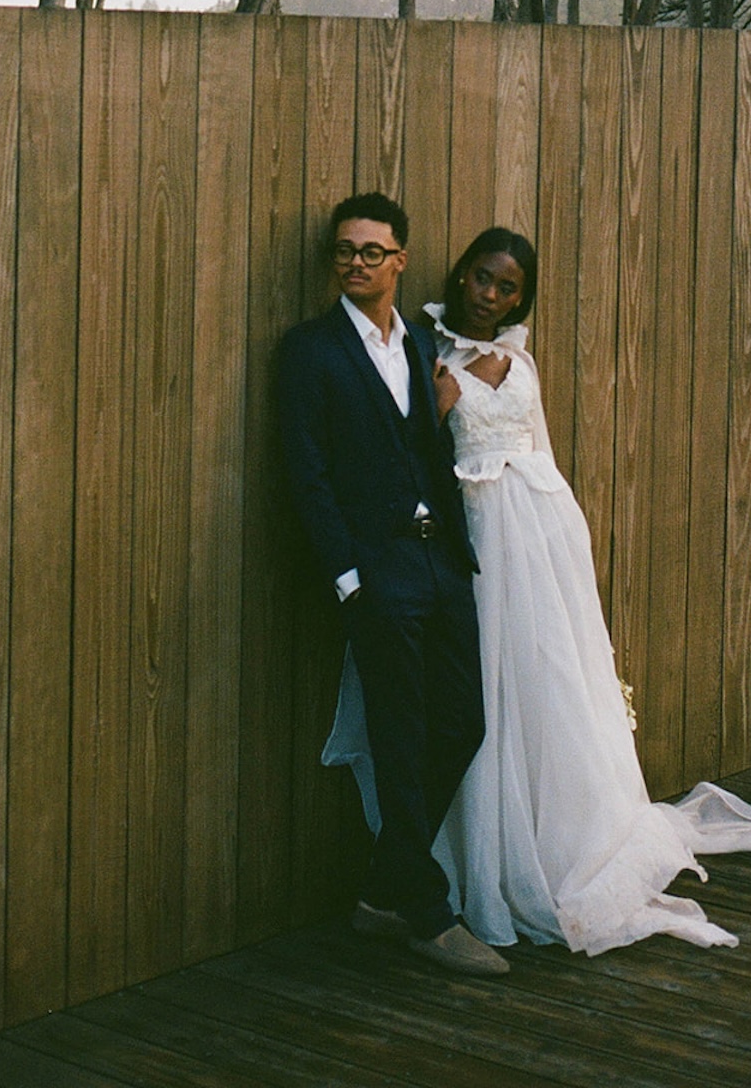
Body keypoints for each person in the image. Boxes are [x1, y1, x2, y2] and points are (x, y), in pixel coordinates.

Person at [416, 226, 751, 955]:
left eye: (507, 288)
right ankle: (504, 850)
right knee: (497, 683)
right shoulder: (428, 360)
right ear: (461, 274)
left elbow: (539, 449)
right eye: (481, 279)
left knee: (559, 675)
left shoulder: (518, 358)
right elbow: (425, 463)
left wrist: (568, 535)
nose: (489, 295)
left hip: (543, 529)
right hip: (482, 532)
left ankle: (579, 827)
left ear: (521, 298)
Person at [277, 192, 510, 977]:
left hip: (439, 563)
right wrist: (347, 578)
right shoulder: (308, 350)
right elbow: (305, 475)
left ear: (400, 261)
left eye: (372, 251)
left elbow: (418, 449)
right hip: (376, 576)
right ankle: (425, 912)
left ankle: (383, 887)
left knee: (463, 723)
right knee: (400, 739)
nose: (355, 262)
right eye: (344, 251)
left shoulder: (415, 346)